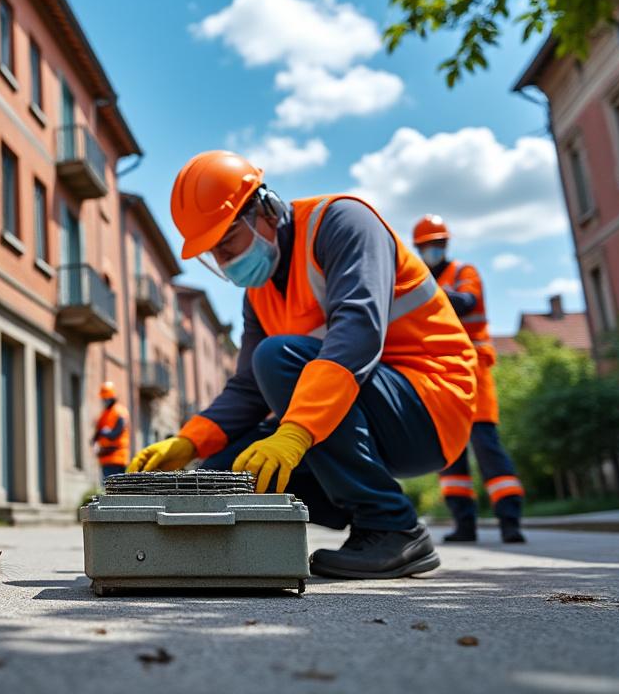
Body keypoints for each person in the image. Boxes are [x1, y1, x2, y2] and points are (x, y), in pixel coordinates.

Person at [128, 150, 477, 579]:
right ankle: (331, 520)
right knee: (224, 471)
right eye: (212, 255)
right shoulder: (259, 293)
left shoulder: (344, 224)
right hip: (363, 410)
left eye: (228, 243)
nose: (225, 262)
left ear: (266, 210)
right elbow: (249, 389)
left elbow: (357, 335)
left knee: (276, 356)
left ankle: (392, 528)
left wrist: (294, 433)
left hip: (429, 405)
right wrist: (189, 442)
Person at [413, 215, 525, 543]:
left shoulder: (463, 273)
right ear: (419, 247)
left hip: (474, 370)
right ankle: (464, 525)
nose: (433, 250)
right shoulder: (421, 278)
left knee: (486, 446)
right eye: (427, 245)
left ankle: (510, 522)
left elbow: (467, 302)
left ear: (445, 244)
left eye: (438, 244)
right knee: (450, 452)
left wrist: (426, 292)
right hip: (440, 375)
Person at [91, 382, 130, 481]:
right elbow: (97, 433)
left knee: (116, 489)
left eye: (106, 398)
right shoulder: (104, 414)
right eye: (103, 398)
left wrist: (105, 433)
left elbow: (116, 433)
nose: (105, 400)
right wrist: (94, 441)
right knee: (110, 489)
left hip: (117, 457)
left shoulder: (120, 411)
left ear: (112, 397)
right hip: (106, 458)